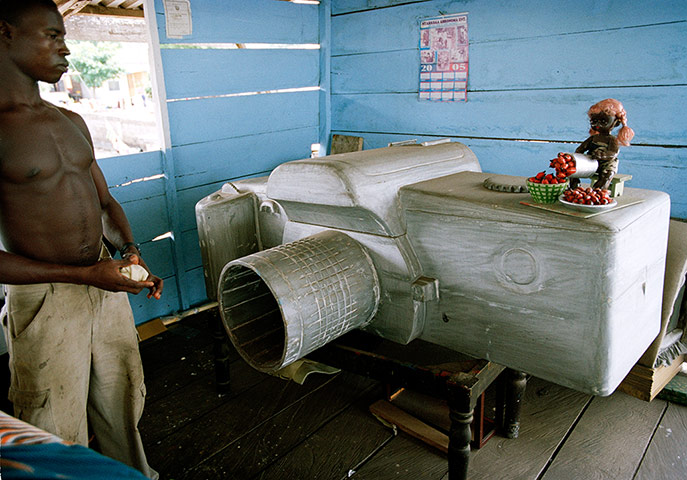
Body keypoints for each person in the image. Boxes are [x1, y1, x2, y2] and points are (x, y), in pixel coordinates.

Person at [0, 1, 162, 478]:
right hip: (46, 299)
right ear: (4, 33)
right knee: (52, 423)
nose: (66, 49)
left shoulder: (70, 121)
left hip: (104, 283)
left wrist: (129, 256)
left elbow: (106, 204)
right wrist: (84, 274)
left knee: (122, 400)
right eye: (51, 35)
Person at [572, 98, 635, 191]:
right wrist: (578, 155)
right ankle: (574, 187)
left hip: (607, 163)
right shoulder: (593, 138)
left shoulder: (611, 139)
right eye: (594, 121)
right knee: (572, 169)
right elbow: (582, 148)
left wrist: (603, 155)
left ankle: (598, 191)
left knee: (607, 174)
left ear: (616, 123)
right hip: (592, 161)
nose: (597, 124)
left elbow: (613, 153)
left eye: (603, 121)